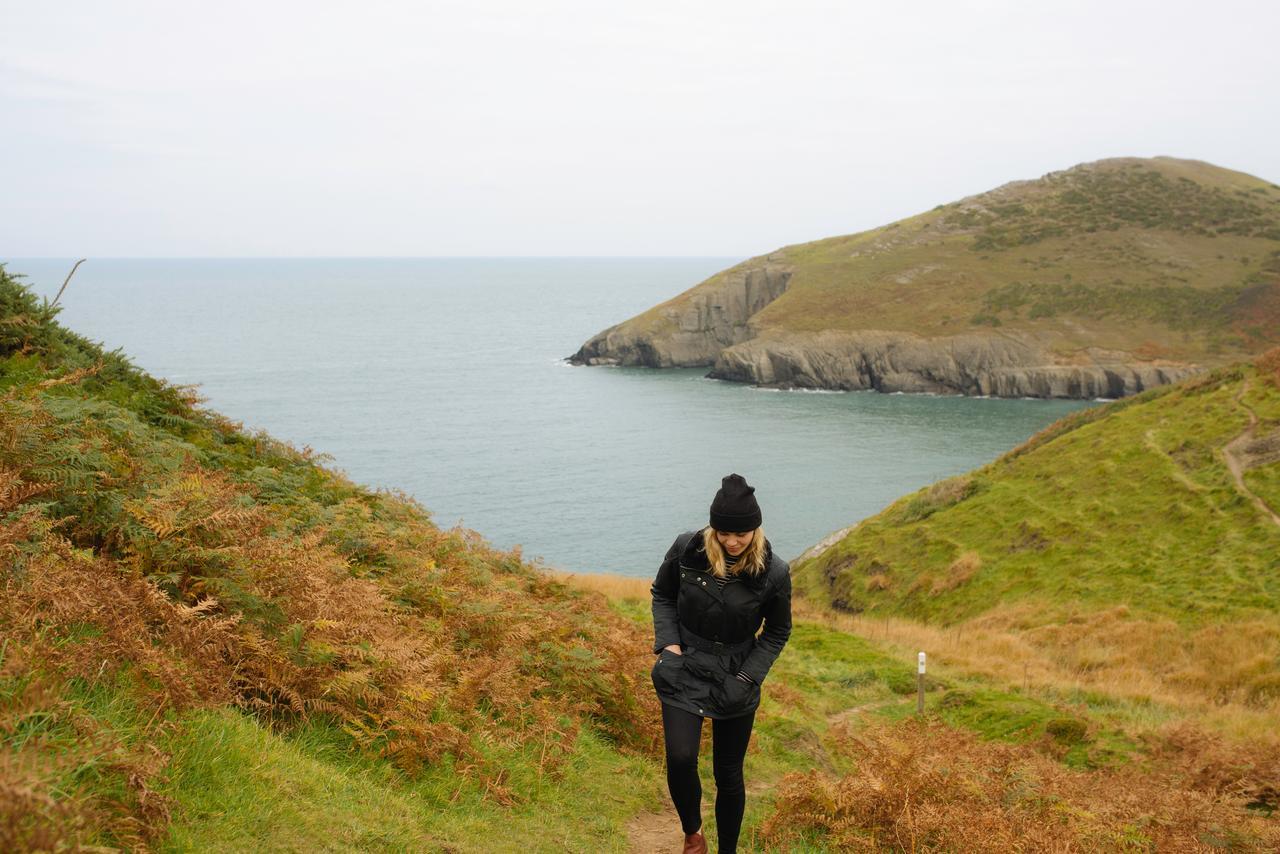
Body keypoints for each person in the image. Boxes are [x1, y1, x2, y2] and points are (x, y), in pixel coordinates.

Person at [649, 473, 793, 854]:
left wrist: (746, 677)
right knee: (680, 759)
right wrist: (670, 648)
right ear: (713, 528)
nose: (731, 541)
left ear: (755, 529)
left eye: (741, 534)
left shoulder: (774, 572)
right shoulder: (687, 549)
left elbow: (778, 631)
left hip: (736, 675)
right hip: (684, 667)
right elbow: (662, 594)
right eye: (724, 532)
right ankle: (693, 835)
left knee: (727, 775)